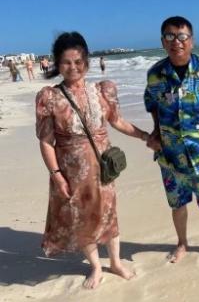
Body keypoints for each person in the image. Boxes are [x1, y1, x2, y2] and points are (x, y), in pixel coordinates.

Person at [35, 32, 151, 289]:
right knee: (83, 218)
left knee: (109, 213)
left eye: (78, 61)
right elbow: (46, 141)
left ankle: (116, 262)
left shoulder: (102, 91)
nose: (73, 67)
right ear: (57, 63)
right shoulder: (49, 97)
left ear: (87, 62)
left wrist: (145, 136)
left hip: (103, 168)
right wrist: (56, 174)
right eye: (66, 62)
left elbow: (117, 122)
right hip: (71, 171)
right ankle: (96, 267)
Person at [144, 16, 199, 264]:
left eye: (182, 36)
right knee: (177, 204)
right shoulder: (155, 75)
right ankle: (182, 243)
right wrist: (156, 131)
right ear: (163, 42)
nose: (177, 42)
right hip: (170, 154)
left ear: (191, 41)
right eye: (170, 37)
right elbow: (152, 105)